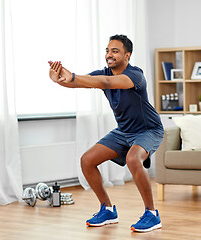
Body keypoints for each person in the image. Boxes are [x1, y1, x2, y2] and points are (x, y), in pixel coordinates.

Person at [48, 34, 164, 232]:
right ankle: (108, 209)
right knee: (87, 160)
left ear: (127, 55)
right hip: (123, 131)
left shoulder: (135, 75)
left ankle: (152, 214)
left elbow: (107, 82)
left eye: (115, 51)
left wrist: (73, 76)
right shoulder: (103, 73)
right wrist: (59, 80)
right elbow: (81, 82)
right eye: (107, 50)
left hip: (148, 130)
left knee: (133, 159)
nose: (109, 55)